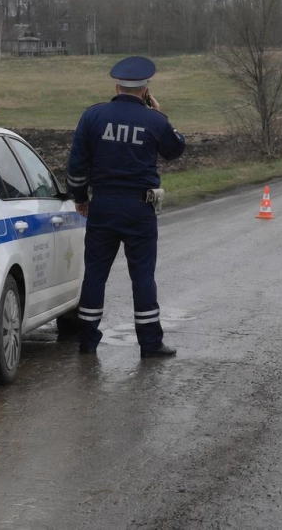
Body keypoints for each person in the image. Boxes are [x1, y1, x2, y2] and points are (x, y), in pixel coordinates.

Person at [66, 56, 187, 358]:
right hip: (139, 208)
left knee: (95, 274)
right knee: (142, 276)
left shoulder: (92, 116)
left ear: (117, 85)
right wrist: (161, 116)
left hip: (103, 206)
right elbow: (175, 150)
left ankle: (87, 339)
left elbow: (77, 167)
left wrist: (80, 198)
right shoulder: (154, 120)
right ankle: (149, 343)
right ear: (146, 89)